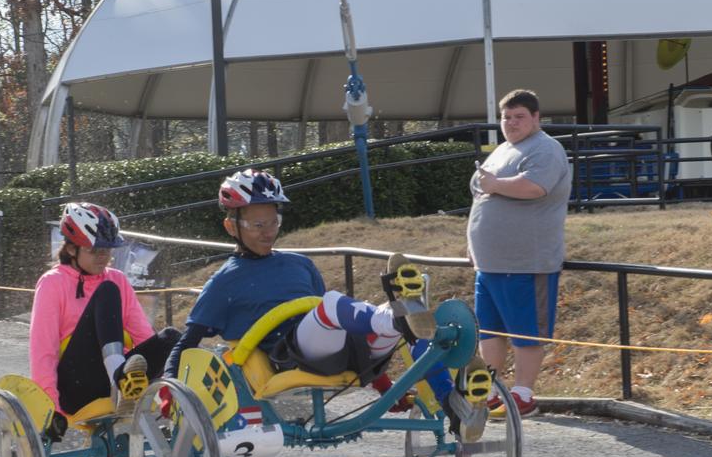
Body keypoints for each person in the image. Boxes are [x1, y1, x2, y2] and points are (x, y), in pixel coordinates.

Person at [165, 169, 491, 441]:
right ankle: (396, 316)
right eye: (257, 225)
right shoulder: (224, 281)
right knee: (336, 305)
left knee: (413, 332)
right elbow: (187, 342)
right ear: (231, 226)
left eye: (273, 222)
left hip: (344, 351)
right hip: (290, 355)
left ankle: (455, 406)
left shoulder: (300, 264)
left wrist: (385, 389)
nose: (268, 233)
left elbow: (345, 326)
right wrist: (168, 388)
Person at [29, 202, 180, 437]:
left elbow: (143, 336)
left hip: (119, 381)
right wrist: (50, 410)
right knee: (107, 291)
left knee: (171, 337)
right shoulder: (52, 283)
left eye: (107, 250)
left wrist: (159, 380)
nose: (103, 257)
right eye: (94, 250)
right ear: (70, 249)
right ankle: (118, 376)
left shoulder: (118, 279)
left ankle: (173, 405)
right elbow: (43, 351)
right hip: (76, 385)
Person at [468, 88, 572, 419]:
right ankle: (493, 390)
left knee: (526, 331)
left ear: (536, 118)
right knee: (490, 330)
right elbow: (480, 193)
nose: (511, 123)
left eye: (519, 117)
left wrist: (496, 184)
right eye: (506, 117)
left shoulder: (546, 149)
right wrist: (472, 242)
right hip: (489, 264)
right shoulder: (500, 150)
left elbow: (533, 187)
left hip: (526, 262)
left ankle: (523, 394)